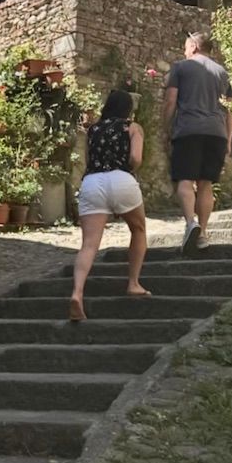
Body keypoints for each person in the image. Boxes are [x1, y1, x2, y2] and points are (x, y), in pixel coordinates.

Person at [70, 87, 149, 322]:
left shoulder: (93, 129)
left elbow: (88, 160)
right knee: (138, 229)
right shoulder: (132, 128)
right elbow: (135, 159)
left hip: (93, 182)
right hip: (121, 178)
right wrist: (127, 173)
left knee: (89, 245)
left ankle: (77, 293)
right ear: (128, 109)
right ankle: (133, 283)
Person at [163, 32, 232, 255]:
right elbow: (231, 110)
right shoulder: (223, 73)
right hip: (216, 133)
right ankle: (203, 234)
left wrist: (166, 129)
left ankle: (190, 223)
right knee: (206, 184)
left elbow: (170, 101)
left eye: (186, 47)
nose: (185, 51)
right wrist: (229, 139)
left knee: (184, 180)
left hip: (188, 130)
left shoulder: (180, 68)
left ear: (194, 46)